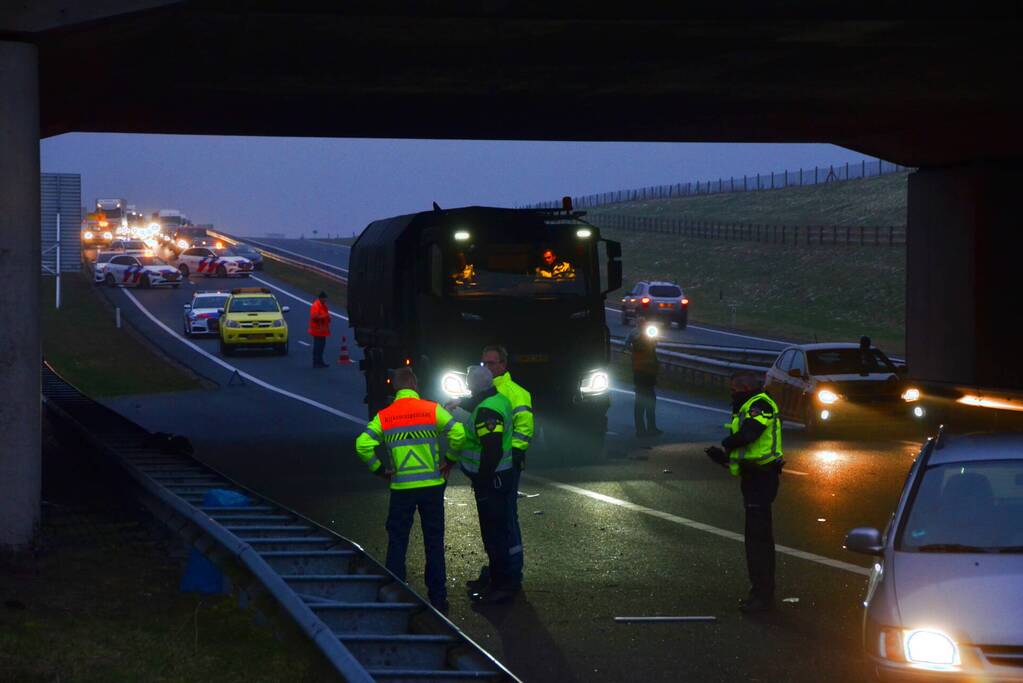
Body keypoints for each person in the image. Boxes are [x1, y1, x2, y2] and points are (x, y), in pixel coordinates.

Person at [354, 367, 466, 612]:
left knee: (397, 540)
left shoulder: (385, 416)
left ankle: (395, 593)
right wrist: (450, 459)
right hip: (431, 487)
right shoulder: (432, 409)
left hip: (402, 488)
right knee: (433, 542)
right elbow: (459, 433)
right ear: (415, 386)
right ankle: (438, 597)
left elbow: (362, 445)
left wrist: (380, 470)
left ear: (395, 388)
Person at [705, 371, 784, 613]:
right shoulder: (749, 404)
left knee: (758, 541)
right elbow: (746, 453)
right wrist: (723, 459)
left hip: (762, 478)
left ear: (745, 387)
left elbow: (750, 434)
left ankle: (763, 595)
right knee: (754, 540)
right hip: (753, 477)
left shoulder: (760, 405)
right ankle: (758, 591)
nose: (732, 394)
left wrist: (728, 443)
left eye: (734, 389)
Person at [464, 344, 532, 596]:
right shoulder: (492, 392)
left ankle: (510, 574)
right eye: (484, 364)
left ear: (503, 365)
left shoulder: (514, 393)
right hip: (500, 467)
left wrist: (513, 456)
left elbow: (523, 428)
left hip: (504, 467)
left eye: (493, 363)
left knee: (504, 523)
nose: (488, 368)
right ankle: (499, 572)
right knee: (498, 523)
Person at [457, 366, 519, 604]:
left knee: (493, 534)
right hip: (500, 477)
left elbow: (491, 450)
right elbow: (479, 406)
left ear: (474, 387)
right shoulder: (497, 399)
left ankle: (502, 585)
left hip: (491, 481)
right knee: (497, 531)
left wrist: (482, 481)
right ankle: (497, 579)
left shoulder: (487, 412)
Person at [625, 316, 661, 437]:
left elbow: (653, 350)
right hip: (641, 373)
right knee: (641, 402)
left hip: (648, 374)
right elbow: (632, 344)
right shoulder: (636, 336)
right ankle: (641, 430)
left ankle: (650, 428)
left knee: (649, 402)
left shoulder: (647, 337)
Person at [308, 291, 331, 368]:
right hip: (317, 331)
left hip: (323, 331)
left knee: (321, 347)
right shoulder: (316, 306)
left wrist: (328, 318)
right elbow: (314, 317)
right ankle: (316, 362)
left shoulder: (323, 305)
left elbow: (325, 315)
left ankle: (320, 362)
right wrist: (325, 316)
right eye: (324, 298)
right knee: (317, 347)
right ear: (321, 298)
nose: (325, 300)